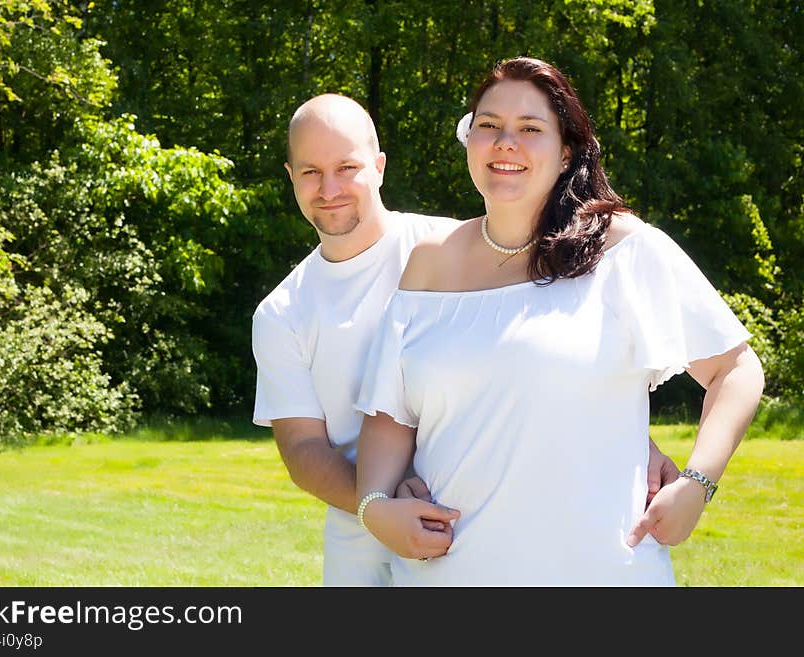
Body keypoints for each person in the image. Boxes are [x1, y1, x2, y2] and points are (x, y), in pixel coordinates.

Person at [354, 57, 764, 586]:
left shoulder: (622, 249)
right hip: (448, 576)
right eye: (489, 126)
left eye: (530, 128)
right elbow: (390, 415)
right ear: (470, 140)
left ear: (566, 150)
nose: (506, 142)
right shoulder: (429, 263)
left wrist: (697, 484)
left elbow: (736, 369)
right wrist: (374, 507)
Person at [252, 92, 679, 586]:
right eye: (310, 172)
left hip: (482, 537)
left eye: (347, 166)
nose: (330, 188)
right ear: (290, 176)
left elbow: (544, 353)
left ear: (379, 166)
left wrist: (636, 444)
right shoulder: (282, 312)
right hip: (361, 554)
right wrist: (381, 506)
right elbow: (303, 451)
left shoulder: (449, 251)